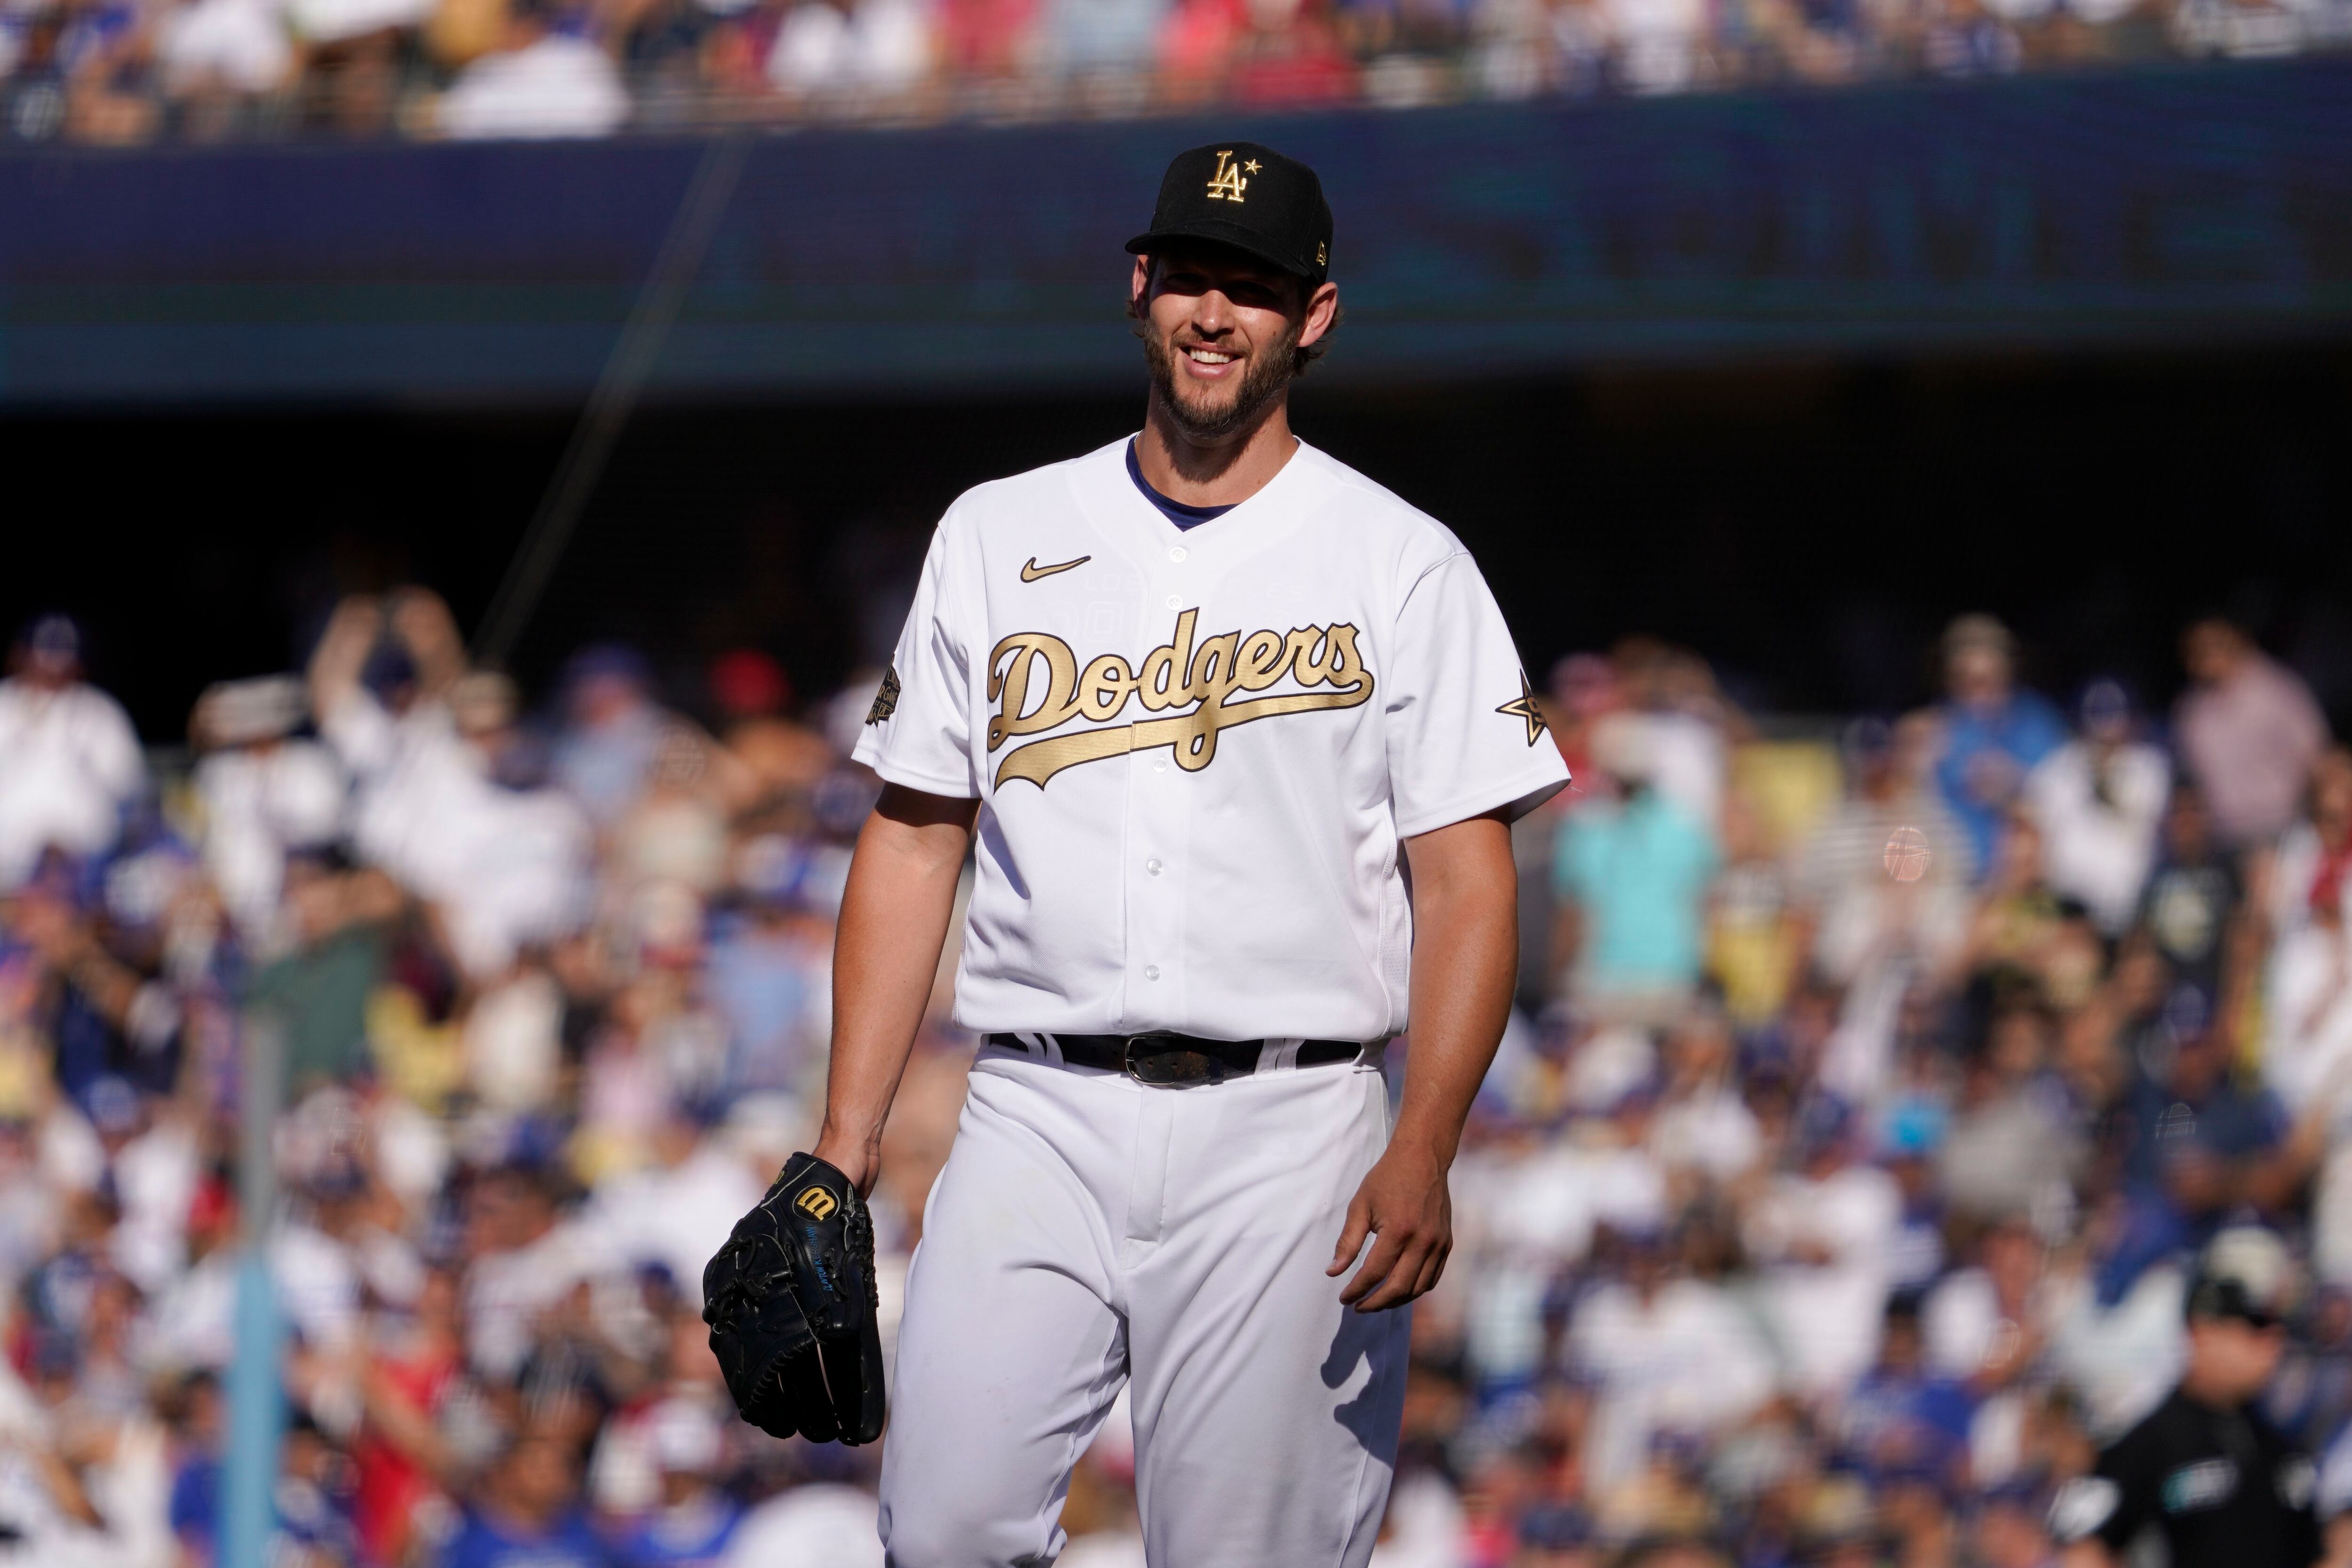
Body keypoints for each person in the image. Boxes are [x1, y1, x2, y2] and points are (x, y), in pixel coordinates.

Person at [807, 142, 1568, 1567]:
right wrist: (837, 1155)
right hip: (1034, 1105)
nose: (1217, 314)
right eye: (1193, 279)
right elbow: (915, 837)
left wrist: (1425, 1141)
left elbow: (1466, 878)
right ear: (1139, 287)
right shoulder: (997, 529)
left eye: (1257, 289)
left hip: (1286, 1125)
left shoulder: (1401, 559)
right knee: (945, 1527)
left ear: (1313, 317)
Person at [2051, 1227, 2322, 1568]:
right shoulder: (2148, 1442)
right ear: (2202, 1329)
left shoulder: (2283, 1448)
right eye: (2256, 1323)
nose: (2274, 1340)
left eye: (2279, 1325)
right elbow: (2083, 1550)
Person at [0, 614, 144, 891]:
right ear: (20, 656)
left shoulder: (100, 713)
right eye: (42, 659)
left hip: (82, 871)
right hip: (8, 869)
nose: (49, 672)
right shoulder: (4, 705)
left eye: (60, 663)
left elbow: (131, 792)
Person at [2175, 617, 2328, 852]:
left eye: (2215, 645)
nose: (2208, 656)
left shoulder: (2279, 691)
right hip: (2222, 839)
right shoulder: (2191, 710)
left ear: (2237, 641)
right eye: (2198, 650)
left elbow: (2318, 759)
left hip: (2283, 829)